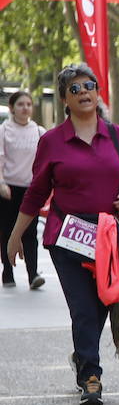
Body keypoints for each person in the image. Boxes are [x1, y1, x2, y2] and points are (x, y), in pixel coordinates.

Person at [7, 65, 119, 405]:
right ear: (66, 99)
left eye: (90, 86)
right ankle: (91, 377)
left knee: (100, 306)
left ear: (98, 93)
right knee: (83, 308)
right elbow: (36, 194)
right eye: (76, 88)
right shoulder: (51, 141)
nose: (84, 91)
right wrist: (15, 237)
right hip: (66, 237)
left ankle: (82, 356)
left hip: (109, 237)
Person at [0, 90, 46, 289]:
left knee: (30, 233)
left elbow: (45, 163)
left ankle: (32, 274)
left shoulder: (39, 131)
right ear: (12, 108)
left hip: (31, 190)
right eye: (20, 104)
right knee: (7, 231)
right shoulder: (4, 130)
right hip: (8, 189)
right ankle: (8, 273)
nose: (25, 107)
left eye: (28, 104)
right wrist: (1, 183)